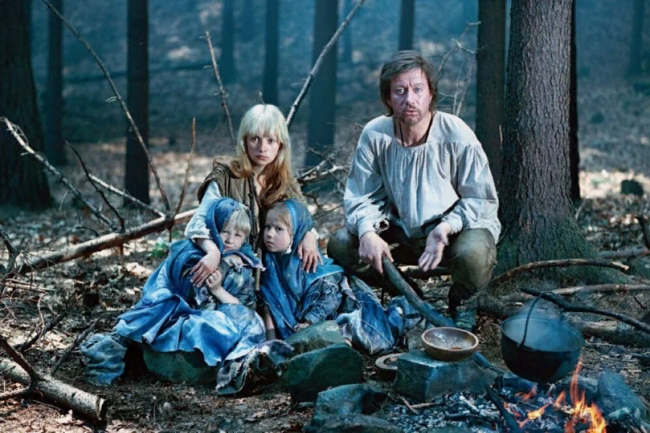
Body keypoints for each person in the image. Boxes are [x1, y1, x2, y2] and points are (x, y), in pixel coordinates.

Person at [327, 51, 501, 330]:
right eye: (400, 91)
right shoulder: (376, 134)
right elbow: (361, 195)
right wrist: (368, 231)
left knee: (475, 252)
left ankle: (463, 304)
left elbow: (480, 199)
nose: (410, 99)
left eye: (418, 89)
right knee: (340, 243)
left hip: (450, 234)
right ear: (388, 98)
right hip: (399, 232)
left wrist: (445, 227)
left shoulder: (455, 133)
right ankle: (408, 294)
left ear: (431, 94)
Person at [81, 198, 293, 394]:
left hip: (220, 311)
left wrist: (218, 290)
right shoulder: (193, 256)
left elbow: (243, 305)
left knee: (251, 321)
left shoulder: (243, 262)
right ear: (212, 229)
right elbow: (192, 300)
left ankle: (245, 367)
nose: (230, 239)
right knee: (206, 325)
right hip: (179, 312)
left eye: (237, 235)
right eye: (224, 232)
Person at [184, 104, 321, 338]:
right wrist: (212, 252)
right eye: (255, 139)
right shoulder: (227, 175)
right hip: (229, 264)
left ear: (280, 145)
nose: (262, 148)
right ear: (244, 141)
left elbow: (302, 216)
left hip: (268, 267)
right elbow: (198, 223)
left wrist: (309, 234)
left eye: (270, 140)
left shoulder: (282, 180)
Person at [259, 199, 419, 355]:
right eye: (267, 227)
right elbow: (270, 307)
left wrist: (308, 322)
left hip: (344, 308)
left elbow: (331, 298)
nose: (270, 234)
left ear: (297, 232)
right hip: (320, 322)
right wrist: (271, 346)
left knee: (378, 339)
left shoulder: (310, 262)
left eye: (278, 229)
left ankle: (404, 309)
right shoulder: (270, 266)